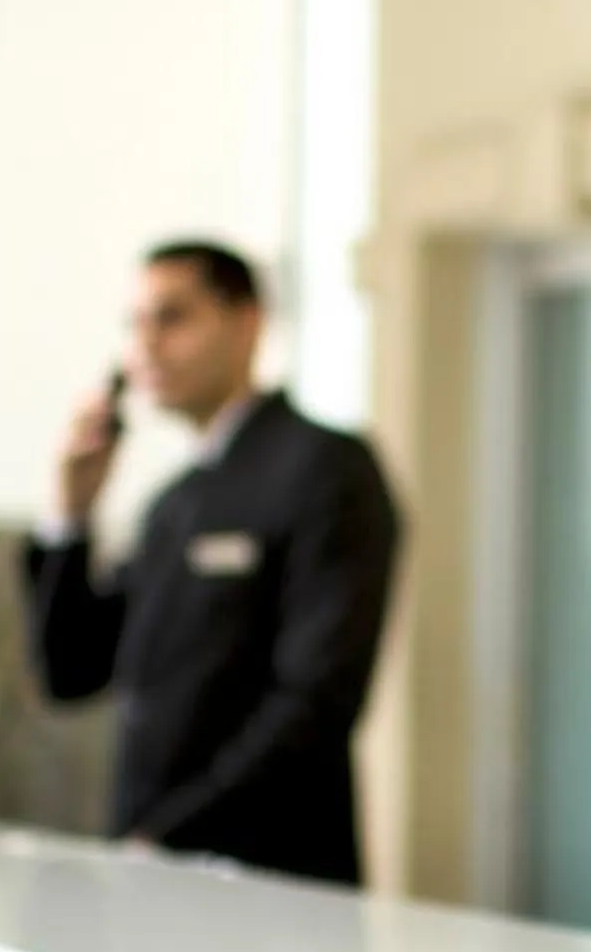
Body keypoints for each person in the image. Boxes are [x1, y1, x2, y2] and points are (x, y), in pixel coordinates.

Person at [25, 241, 400, 885]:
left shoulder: (325, 470)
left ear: (246, 322)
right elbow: (71, 669)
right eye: (135, 324)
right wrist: (70, 515)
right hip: (152, 876)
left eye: (172, 318)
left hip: (267, 880)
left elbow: (316, 701)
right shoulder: (173, 506)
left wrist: (164, 837)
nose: (145, 346)